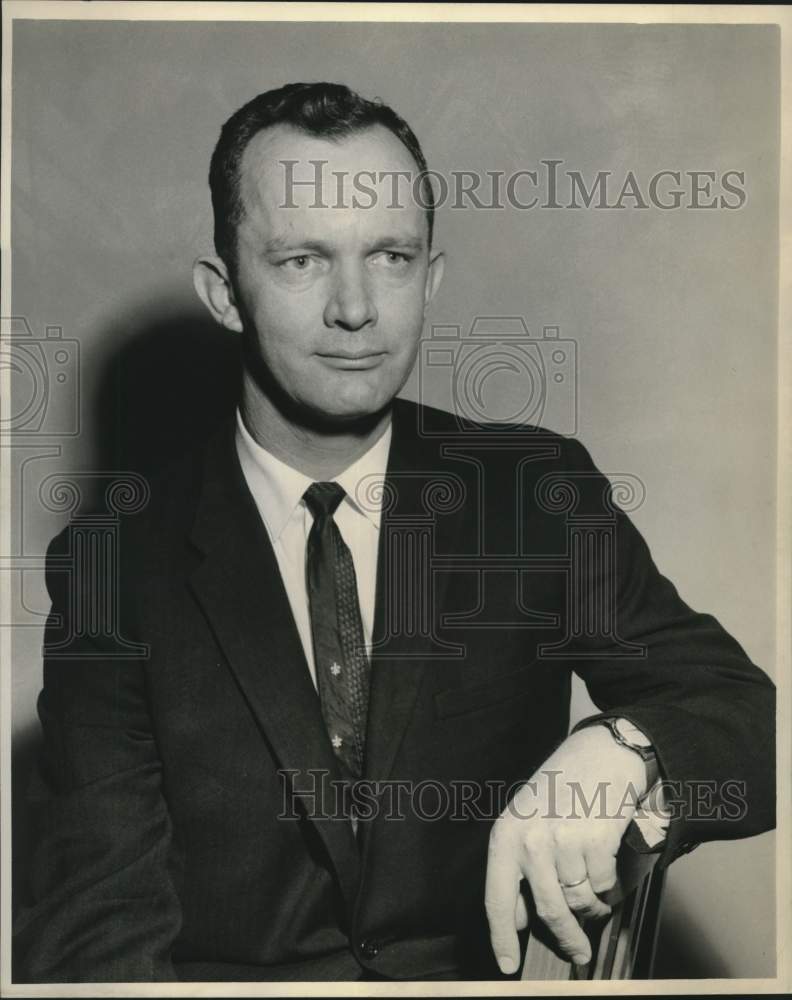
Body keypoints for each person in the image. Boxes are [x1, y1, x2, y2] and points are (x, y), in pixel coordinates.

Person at [14, 82, 775, 983]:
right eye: (301, 261)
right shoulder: (115, 559)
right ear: (224, 294)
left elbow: (749, 728)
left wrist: (622, 748)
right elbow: (100, 926)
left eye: (390, 258)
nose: (356, 308)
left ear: (432, 277)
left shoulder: (532, 495)